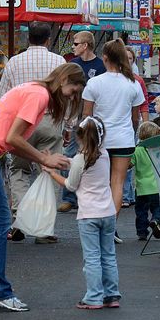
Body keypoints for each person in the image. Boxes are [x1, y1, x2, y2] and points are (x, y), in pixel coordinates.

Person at [0, 63, 84, 311]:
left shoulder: (34, 89)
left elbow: (11, 139)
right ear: (64, 79)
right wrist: (44, 158)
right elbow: (12, 138)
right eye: (72, 91)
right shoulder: (39, 95)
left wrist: (39, 156)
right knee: (1, 219)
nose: (70, 96)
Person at [0, 21, 66, 241]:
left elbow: (2, 97)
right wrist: (69, 125)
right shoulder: (59, 61)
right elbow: (65, 95)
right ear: (48, 40)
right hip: (50, 119)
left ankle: (19, 220)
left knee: (19, 170)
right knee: (50, 171)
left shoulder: (14, 62)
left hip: (20, 125)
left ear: (28, 39)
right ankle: (44, 228)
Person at [46, 116, 120, 310]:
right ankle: (111, 295)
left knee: (92, 257)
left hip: (88, 215)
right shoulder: (104, 154)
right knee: (108, 255)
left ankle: (94, 296)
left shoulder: (81, 158)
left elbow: (71, 185)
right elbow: (83, 163)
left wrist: (52, 173)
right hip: (108, 212)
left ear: (80, 137)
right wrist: (67, 162)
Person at [81, 39, 144, 227]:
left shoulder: (94, 83)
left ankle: (98, 221)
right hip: (124, 139)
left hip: (100, 140)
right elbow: (136, 117)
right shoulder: (133, 84)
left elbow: (87, 115)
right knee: (118, 182)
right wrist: (131, 132)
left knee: (100, 184)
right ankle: (111, 225)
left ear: (105, 58)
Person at [59, 31, 105, 214]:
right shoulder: (72, 65)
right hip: (74, 117)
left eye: (76, 43)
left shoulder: (100, 66)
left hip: (93, 119)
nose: (73, 47)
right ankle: (68, 197)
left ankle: (87, 195)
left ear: (85, 45)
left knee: (92, 156)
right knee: (68, 154)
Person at [121, 46, 152, 208]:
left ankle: (127, 194)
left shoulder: (137, 80)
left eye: (130, 58)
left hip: (133, 124)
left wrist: (145, 125)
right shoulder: (114, 78)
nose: (127, 61)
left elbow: (144, 104)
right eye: (124, 57)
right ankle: (126, 193)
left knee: (131, 159)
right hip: (118, 125)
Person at [131, 121, 160, 242]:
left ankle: (142, 232)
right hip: (156, 186)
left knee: (141, 211)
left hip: (141, 187)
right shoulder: (157, 149)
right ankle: (156, 220)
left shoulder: (137, 150)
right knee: (157, 207)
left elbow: (130, 164)